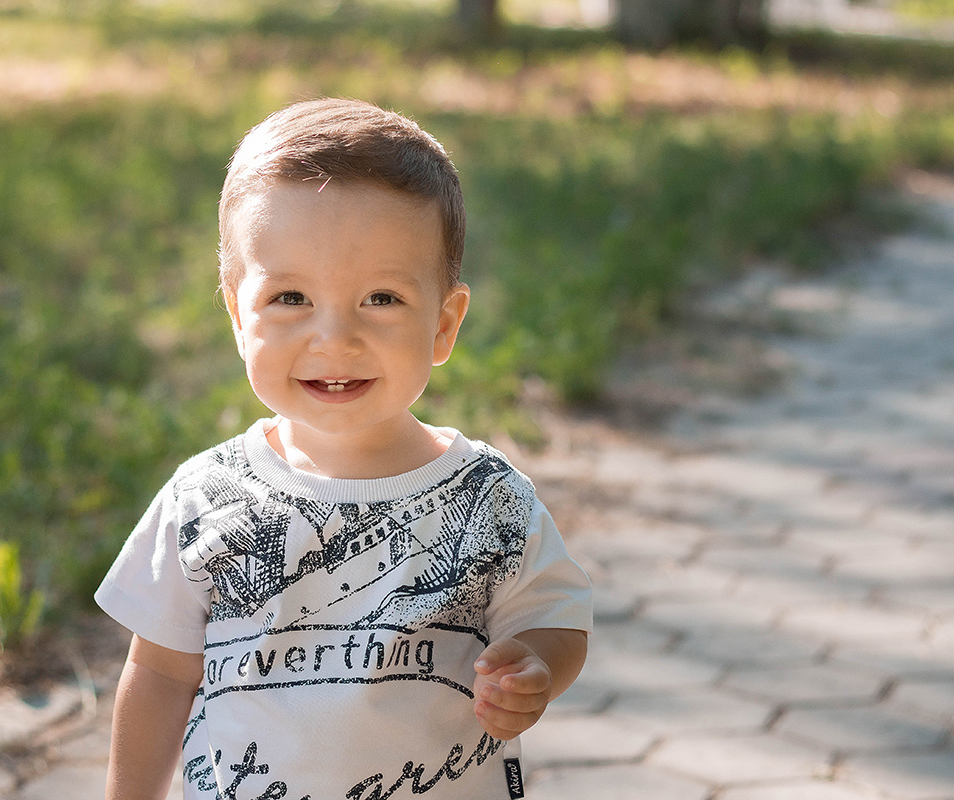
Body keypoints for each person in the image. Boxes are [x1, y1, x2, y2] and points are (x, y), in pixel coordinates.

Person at [95, 97, 593, 800]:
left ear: (444, 324)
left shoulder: (486, 498)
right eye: (291, 297)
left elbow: (556, 618)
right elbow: (160, 676)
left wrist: (536, 666)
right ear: (239, 315)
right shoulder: (205, 499)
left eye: (381, 299)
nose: (334, 337)